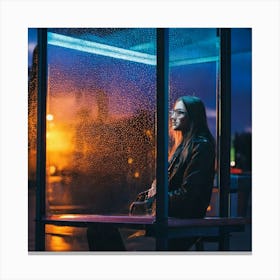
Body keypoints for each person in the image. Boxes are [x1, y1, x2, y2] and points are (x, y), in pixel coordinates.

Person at [87, 95, 215, 251]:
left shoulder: (200, 146)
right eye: (173, 112)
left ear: (193, 117)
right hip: (170, 216)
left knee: (100, 230)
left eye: (180, 112)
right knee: (98, 228)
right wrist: (148, 197)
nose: (173, 117)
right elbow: (168, 187)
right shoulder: (183, 147)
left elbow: (189, 196)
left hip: (181, 219)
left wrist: (153, 201)